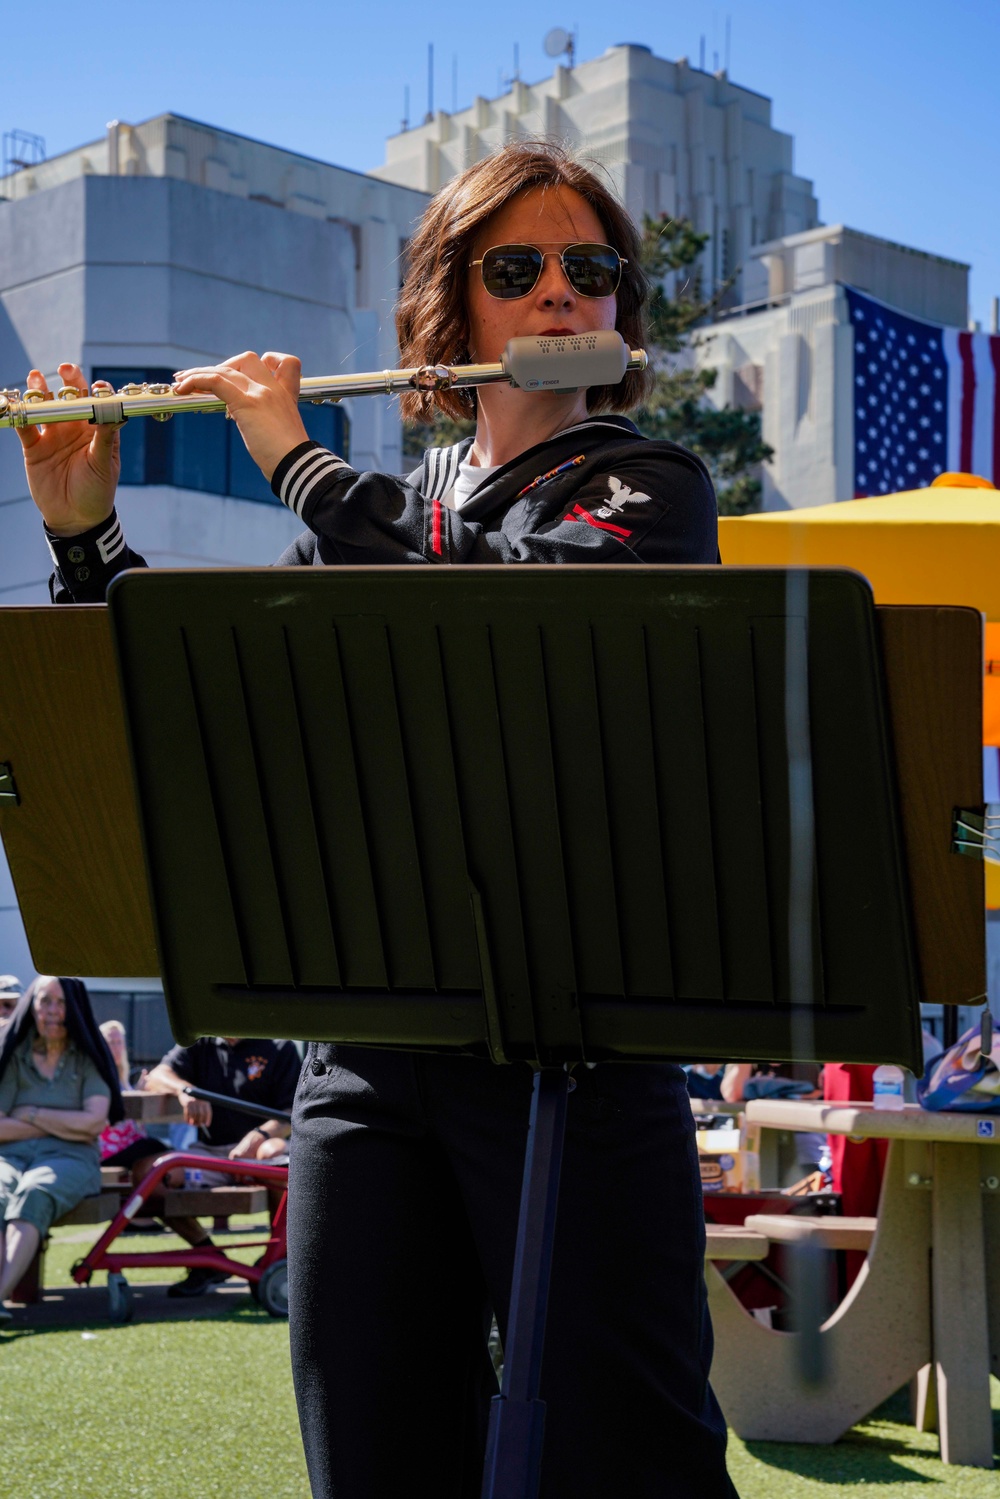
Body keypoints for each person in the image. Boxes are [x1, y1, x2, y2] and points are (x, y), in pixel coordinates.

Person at [16, 142, 736, 1497]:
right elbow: (200, 717)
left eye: (594, 270)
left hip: (576, 1051)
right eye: (515, 268)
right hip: (366, 1048)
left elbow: (530, 603)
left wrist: (293, 457)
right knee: (377, 1447)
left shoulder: (649, 482)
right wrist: (87, 539)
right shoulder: (371, 525)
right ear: (448, 309)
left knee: (624, 1448)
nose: (561, 295)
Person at [0, 976, 121, 1317]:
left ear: (73, 1008)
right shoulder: (15, 1056)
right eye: (44, 1001)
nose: (52, 1011)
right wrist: (64, 1124)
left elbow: (94, 1123)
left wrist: (32, 1113)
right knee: (0, 1193)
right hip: (10, 1156)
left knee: (34, 1191)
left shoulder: (86, 1058)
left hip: (71, 1159)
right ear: (32, 1006)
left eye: (60, 1002)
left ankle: (0, 1295)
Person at [143, 1035, 297, 1295]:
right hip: (209, 1156)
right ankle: (209, 1258)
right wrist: (186, 1091)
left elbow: (293, 1112)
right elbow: (156, 1076)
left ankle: (278, 1260)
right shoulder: (200, 1041)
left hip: (259, 1156)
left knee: (278, 1155)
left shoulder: (280, 1047)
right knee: (150, 1175)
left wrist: (260, 1135)